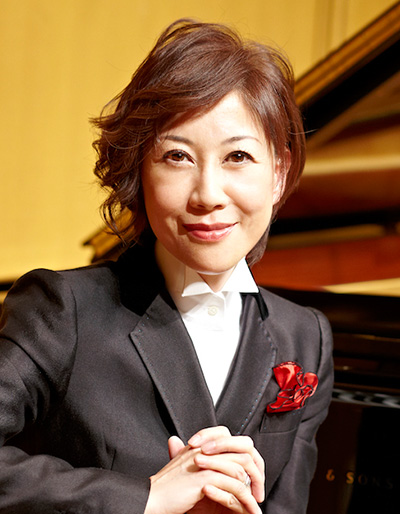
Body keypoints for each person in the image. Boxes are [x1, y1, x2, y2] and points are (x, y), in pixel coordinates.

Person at [0, 19, 333, 514]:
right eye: (177, 156)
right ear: (140, 168)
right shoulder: (63, 310)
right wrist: (145, 498)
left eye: (238, 156)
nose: (208, 195)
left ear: (279, 174)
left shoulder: (306, 337)